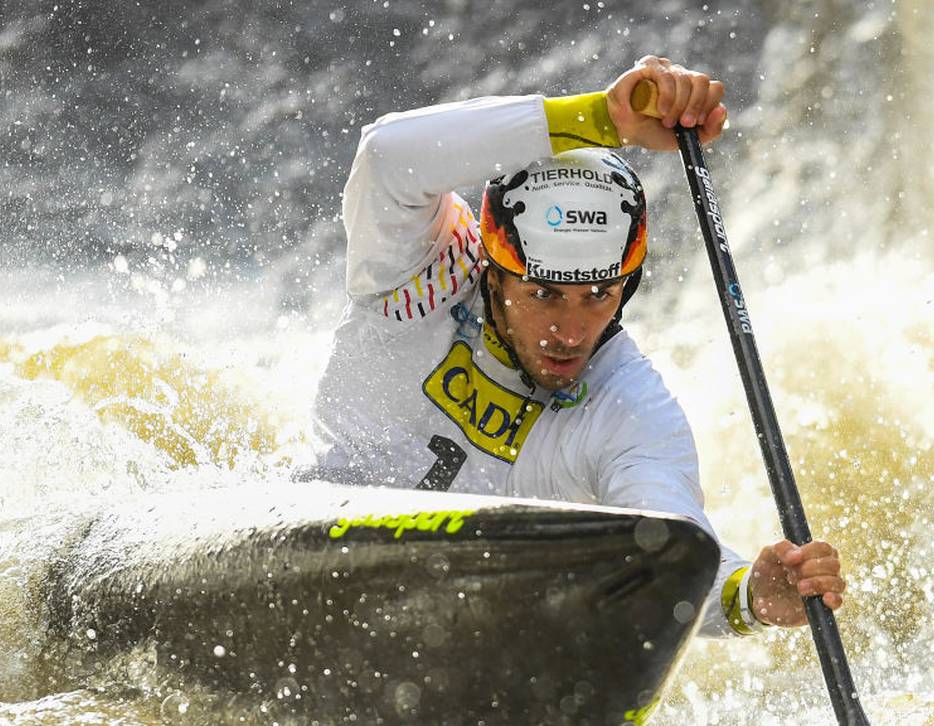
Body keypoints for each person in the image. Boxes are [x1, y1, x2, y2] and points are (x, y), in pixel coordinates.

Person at [310, 56, 845, 636]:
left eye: (598, 294)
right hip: (314, 540)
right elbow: (388, 156)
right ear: (495, 270)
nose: (570, 331)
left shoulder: (628, 405)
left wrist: (750, 595)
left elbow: (672, 549)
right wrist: (603, 118)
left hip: (455, 626)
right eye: (543, 292)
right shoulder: (421, 269)